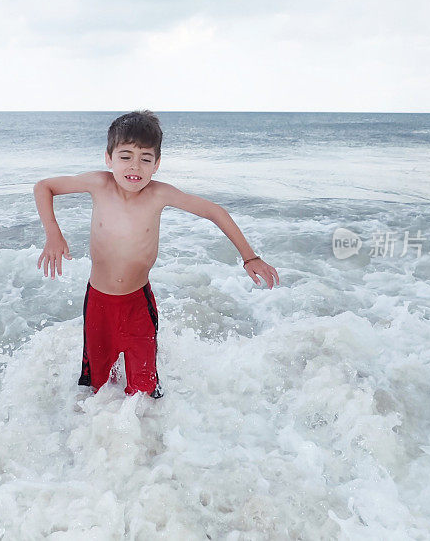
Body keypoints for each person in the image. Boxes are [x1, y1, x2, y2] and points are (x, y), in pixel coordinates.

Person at [33, 110, 279, 398]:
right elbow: (44, 186)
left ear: (156, 164)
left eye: (145, 159)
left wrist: (250, 257)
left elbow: (214, 211)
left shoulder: (159, 194)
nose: (134, 166)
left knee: (144, 390)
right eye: (125, 156)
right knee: (99, 387)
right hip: (98, 304)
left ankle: (150, 435)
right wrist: (53, 232)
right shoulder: (99, 184)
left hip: (138, 305)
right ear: (108, 158)